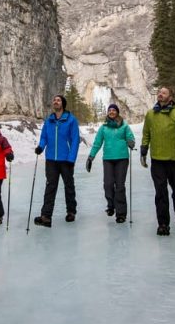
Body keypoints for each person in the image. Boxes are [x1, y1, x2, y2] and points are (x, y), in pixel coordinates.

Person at [140, 87, 175, 236]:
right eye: (159, 93)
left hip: (174, 159)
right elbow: (146, 134)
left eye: (164, 93)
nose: (160, 95)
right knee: (160, 193)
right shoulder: (150, 114)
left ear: (170, 97)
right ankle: (163, 224)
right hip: (157, 160)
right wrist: (143, 152)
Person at [33, 94, 80, 227]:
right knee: (50, 187)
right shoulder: (49, 121)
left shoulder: (71, 120)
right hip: (51, 160)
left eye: (58, 100)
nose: (55, 102)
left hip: (66, 160)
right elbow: (44, 137)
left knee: (69, 186)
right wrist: (41, 147)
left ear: (63, 104)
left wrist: (71, 158)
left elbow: (75, 140)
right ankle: (46, 216)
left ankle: (71, 212)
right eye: (54, 100)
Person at [86, 104, 135, 223]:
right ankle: (111, 205)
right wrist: (91, 157)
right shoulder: (104, 127)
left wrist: (130, 142)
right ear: (107, 113)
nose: (111, 112)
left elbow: (131, 137)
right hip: (108, 159)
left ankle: (121, 213)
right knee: (108, 184)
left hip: (122, 158)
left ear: (117, 112)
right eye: (110, 110)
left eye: (114, 110)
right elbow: (97, 143)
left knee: (119, 186)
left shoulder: (124, 125)